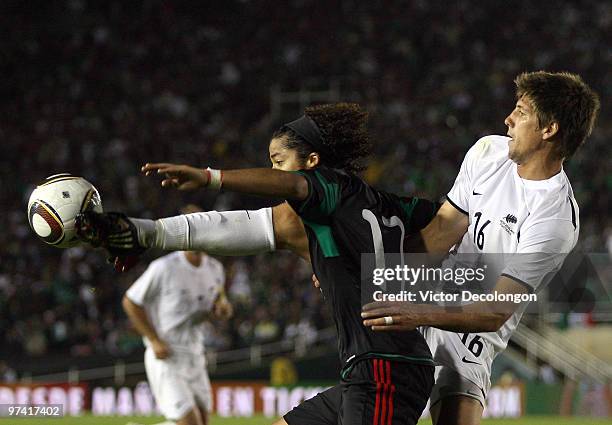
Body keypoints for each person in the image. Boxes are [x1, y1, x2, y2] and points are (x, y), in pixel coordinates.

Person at [79, 103, 440, 425]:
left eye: (278, 162)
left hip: (384, 367)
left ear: (312, 163)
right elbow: (242, 227)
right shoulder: (379, 202)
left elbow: (268, 206)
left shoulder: (327, 188)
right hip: (369, 368)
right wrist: (147, 233)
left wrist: (210, 177)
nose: (274, 172)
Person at [360, 71, 600, 425]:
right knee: (350, 413)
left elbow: (494, 312)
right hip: (422, 296)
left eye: (520, 111)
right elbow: (441, 232)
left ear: (549, 130)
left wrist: (420, 312)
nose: (508, 119)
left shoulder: (555, 219)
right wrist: (369, 270)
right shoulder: (488, 152)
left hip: (470, 327)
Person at [122, 205, 233, 425]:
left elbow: (220, 304)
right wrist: (154, 340)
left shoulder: (215, 269)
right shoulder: (164, 267)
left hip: (195, 353)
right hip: (167, 355)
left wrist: (222, 310)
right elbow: (130, 302)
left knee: (202, 423)